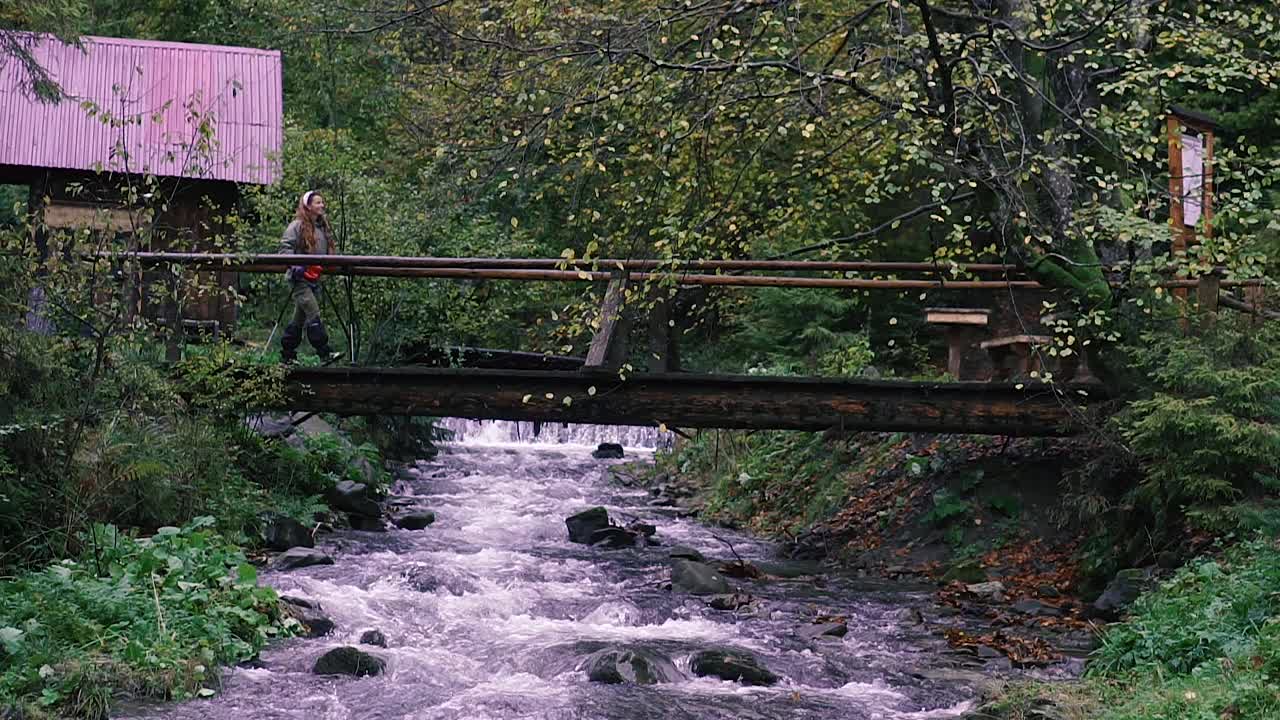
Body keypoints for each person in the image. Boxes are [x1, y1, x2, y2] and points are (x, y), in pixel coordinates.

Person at [279, 190, 341, 363]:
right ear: (308, 206)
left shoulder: (322, 228)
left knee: (298, 319)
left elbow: (326, 253)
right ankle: (324, 353)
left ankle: (287, 355)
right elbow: (285, 248)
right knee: (313, 313)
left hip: (314, 278)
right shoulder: (297, 225)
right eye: (317, 203)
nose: (322, 205)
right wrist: (295, 264)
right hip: (299, 279)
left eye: (322, 202)